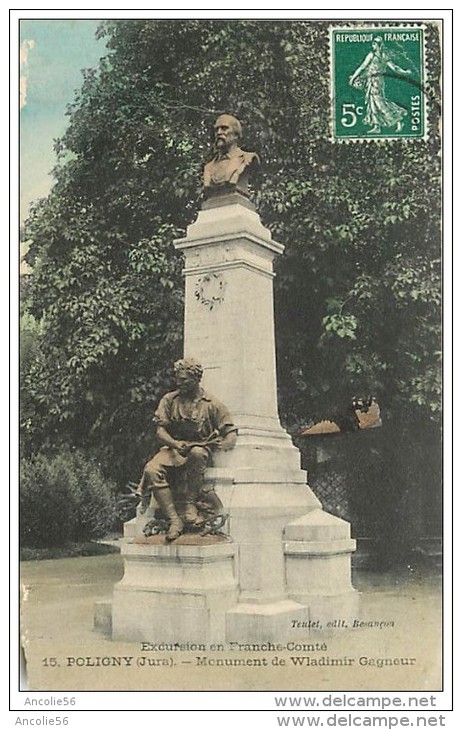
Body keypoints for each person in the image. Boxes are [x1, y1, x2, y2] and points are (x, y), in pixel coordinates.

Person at [137, 358, 237, 541]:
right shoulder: (169, 400)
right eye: (178, 378)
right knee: (151, 470)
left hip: (197, 448)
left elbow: (229, 431)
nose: (179, 383)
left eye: (184, 380)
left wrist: (226, 443)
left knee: (198, 453)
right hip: (173, 449)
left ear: (196, 379)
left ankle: (190, 505)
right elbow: (160, 430)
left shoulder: (211, 404)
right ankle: (175, 520)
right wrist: (174, 443)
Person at [349, 37, 412, 134]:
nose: (372, 46)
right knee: (372, 103)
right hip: (371, 81)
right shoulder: (374, 55)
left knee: (380, 103)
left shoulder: (382, 55)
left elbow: (394, 68)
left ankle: (398, 120)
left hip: (377, 82)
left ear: (378, 45)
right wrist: (354, 77)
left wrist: (405, 72)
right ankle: (377, 126)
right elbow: (363, 67)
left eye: (374, 44)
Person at [203, 114, 259, 198]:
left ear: (236, 134)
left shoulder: (247, 159)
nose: (219, 132)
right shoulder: (208, 167)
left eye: (224, 128)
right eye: (216, 129)